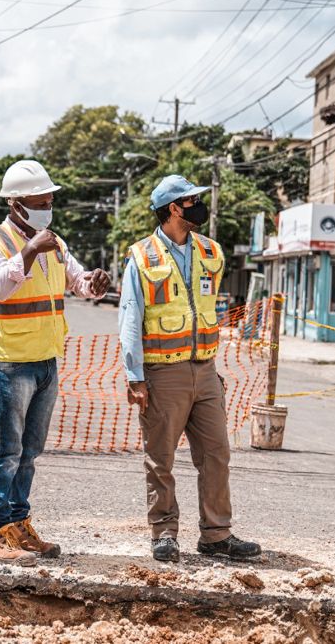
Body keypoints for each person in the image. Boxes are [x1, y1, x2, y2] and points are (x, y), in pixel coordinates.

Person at [0, 159, 110, 566]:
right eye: (40, 199)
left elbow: (77, 282)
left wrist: (93, 285)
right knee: (5, 449)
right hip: (9, 362)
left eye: (50, 198)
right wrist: (30, 250)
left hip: (47, 360)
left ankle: (18, 524)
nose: (48, 204)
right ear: (16, 203)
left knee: (29, 451)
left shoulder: (56, 243)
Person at [119, 175, 262, 563]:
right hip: (163, 373)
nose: (199, 205)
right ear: (172, 209)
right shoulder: (143, 257)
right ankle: (164, 533)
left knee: (217, 453)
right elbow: (131, 318)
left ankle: (217, 535)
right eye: (191, 200)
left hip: (205, 370)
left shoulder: (210, 252)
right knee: (160, 457)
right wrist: (135, 376)